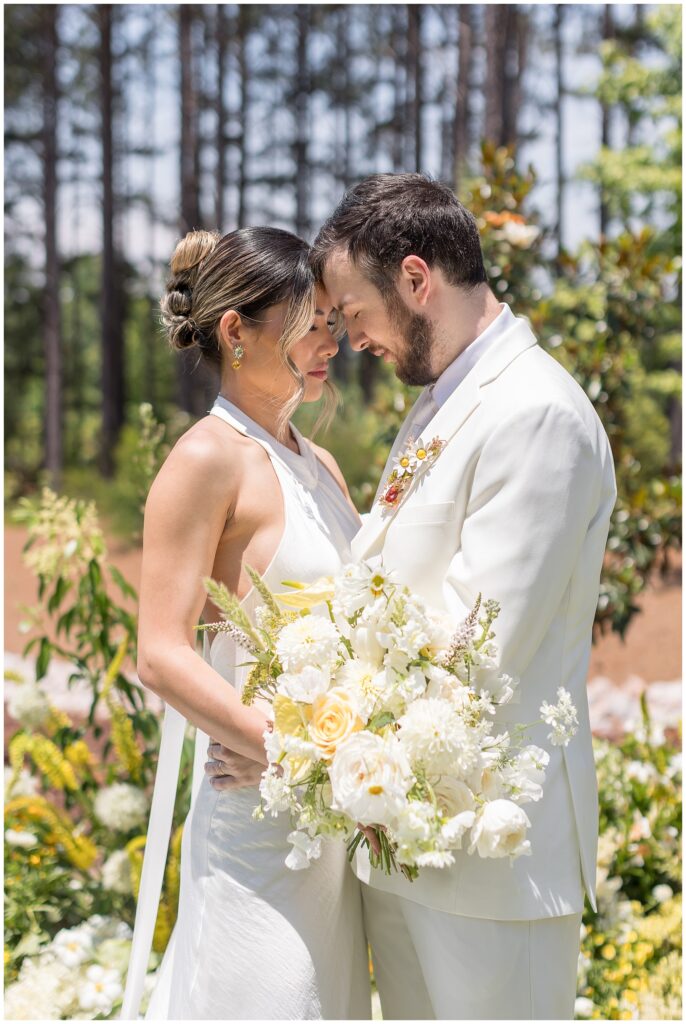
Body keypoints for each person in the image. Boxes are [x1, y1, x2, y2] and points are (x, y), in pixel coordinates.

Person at [208, 174, 617, 1020]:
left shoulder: (535, 413)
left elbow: (472, 650)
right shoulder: (443, 401)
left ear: (416, 280)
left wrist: (290, 752)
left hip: (496, 859)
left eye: (354, 311)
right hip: (404, 845)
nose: (348, 339)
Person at [125, 226, 371, 1020]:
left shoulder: (321, 465)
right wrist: (281, 748)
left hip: (332, 821)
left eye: (331, 321)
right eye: (307, 323)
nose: (329, 340)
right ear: (237, 332)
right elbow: (160, 653)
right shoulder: (205, 459)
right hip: (258, 819)